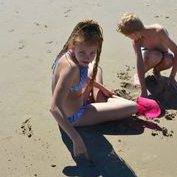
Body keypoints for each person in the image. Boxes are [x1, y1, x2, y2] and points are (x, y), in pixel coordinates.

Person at [50, 19, 156, 160]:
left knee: (95, 68)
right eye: (82, 52)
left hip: (80, 97)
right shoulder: (70, 68)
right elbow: (54, 107)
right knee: (133, 107)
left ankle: (104, 101)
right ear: (73, 45)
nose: (87, 57)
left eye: (92, 53)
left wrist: (102, 87)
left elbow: (78, 78)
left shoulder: (70, 54)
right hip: (75, 117)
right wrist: (76, 138)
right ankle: (110, 103)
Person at [116, 13, 177, 97]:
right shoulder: (137, 41)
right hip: (150, 55)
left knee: (169, 59)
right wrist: (144, 90)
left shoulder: (159, 32)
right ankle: (138, 75)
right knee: (156, 55)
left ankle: (156, 72)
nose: (129, 38)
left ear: (133, 34)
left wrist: (172, 77)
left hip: (163, 54)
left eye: (128, 36)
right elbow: (139, 62)